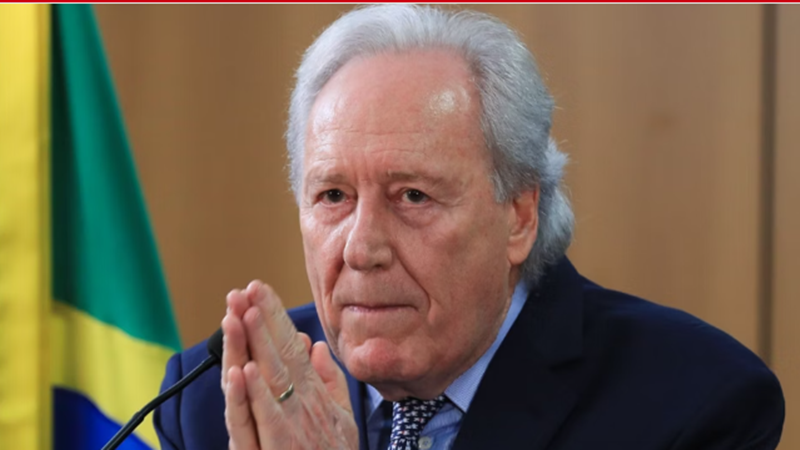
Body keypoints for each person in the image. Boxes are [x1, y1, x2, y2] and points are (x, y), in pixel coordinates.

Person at [154, 5, 784, 450]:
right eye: (333, 195)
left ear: (520, 214)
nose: (362, 248)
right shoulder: (215, 403)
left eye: (413, 195)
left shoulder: (694, 404)